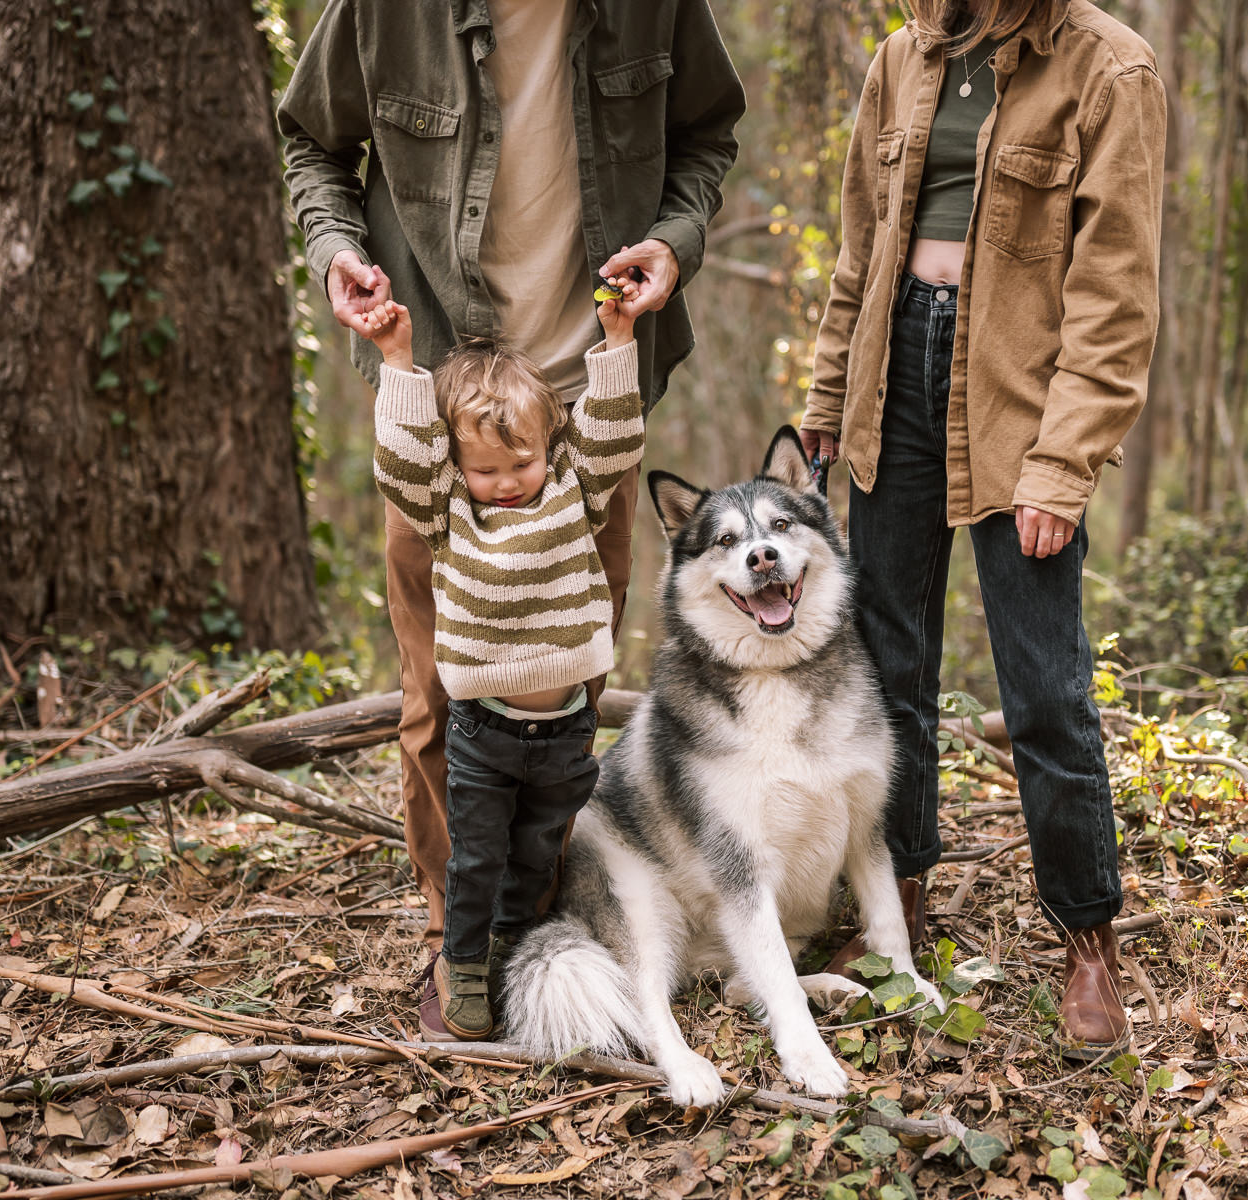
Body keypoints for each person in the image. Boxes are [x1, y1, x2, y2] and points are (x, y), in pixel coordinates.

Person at [277, 0, 744, 1039]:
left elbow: (706, 131)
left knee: (565, 695)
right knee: (440, 696)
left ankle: (547, 936)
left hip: (591, 400)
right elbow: (310, 138)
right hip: (438, 394)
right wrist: (336, 250)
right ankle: (463, 949)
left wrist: (674, 240)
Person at [800, 0, 1165, 1059]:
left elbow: (1114, 297)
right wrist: (829, 396)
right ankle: (897, 906)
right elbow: (859, 252)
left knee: (1044, 686)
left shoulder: (1109, 69)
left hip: (1019, 394)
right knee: (887, 667)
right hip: (893, 376)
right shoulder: (899, 60)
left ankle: (1086, 937)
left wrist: (1062, 460)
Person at [361, 277, 644, 1038]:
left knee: (536, 854)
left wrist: (617, 344)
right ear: (457, 467)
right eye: (485, 470)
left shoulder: (569, 491)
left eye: (519, 464)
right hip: (482, 735)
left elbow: (613, 434)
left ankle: (521, 954)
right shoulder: (448, 511)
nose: (506, 484)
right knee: (476, 863)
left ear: (546, 448)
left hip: (564, 734)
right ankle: (466, 965)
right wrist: (396, 361)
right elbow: (402, 462)